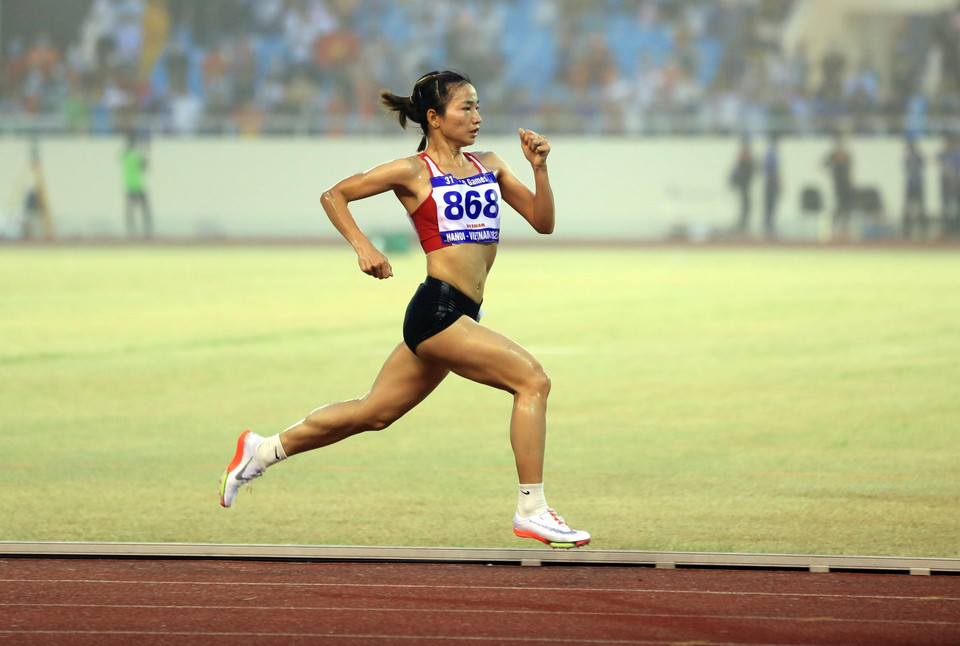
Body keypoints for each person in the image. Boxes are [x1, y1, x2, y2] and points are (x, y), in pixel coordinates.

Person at [217, 70, 590, 549]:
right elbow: (335, 195)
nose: (477, 117)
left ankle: (261, 451)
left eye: (478, 107)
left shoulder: (490, 165)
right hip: (437, 311)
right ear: (434, 117)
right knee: (532, 380)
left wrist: (539, 168)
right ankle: (532, 509)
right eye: (466, 107)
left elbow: (543, 222)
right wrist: (363, 247)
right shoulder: (414, 172)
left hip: (462, 314)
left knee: (373, 413)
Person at [120, 132, 153, 238]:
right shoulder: (134, 156)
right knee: (143, 210)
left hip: (132, 186)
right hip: (137, 186)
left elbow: (143, 166)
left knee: (132, 211)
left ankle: (132, 231)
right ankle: (146, 230)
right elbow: (144, 167)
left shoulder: (125, 156)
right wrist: (146, 153)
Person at [823, 134, 854, 240]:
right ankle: (833, 230)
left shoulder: (846, 155)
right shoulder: (833, 155)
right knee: (838, 208)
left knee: (847, 208)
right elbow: (824, 164)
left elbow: (849, 170)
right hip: (838, 185)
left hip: (846, 185)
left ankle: (844, 231)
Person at [729, 137, 755, 235]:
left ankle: (744, 224)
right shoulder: (742, 163)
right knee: (745, 205)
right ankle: (742, 224)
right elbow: (736, 175)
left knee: (746, 206)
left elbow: (748, 174)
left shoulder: (747, 163)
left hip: (745, 186)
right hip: (743, 186)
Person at [902, 137, 927, 239]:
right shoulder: (908, 158)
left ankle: (922, 229)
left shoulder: (918, 157)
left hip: (917, 184)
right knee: (908, 208)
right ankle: (907, 230)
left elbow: (921, 168)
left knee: (920, 207)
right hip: (910, 184)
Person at [762, 134, 781, 239]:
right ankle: (769, 225)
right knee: (770, 205)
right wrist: (778, 182)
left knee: (770, 205)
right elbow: (774, 171)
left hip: (769, 182)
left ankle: (768, 224)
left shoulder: (769, 155)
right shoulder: (772, 155)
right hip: (771, 182)